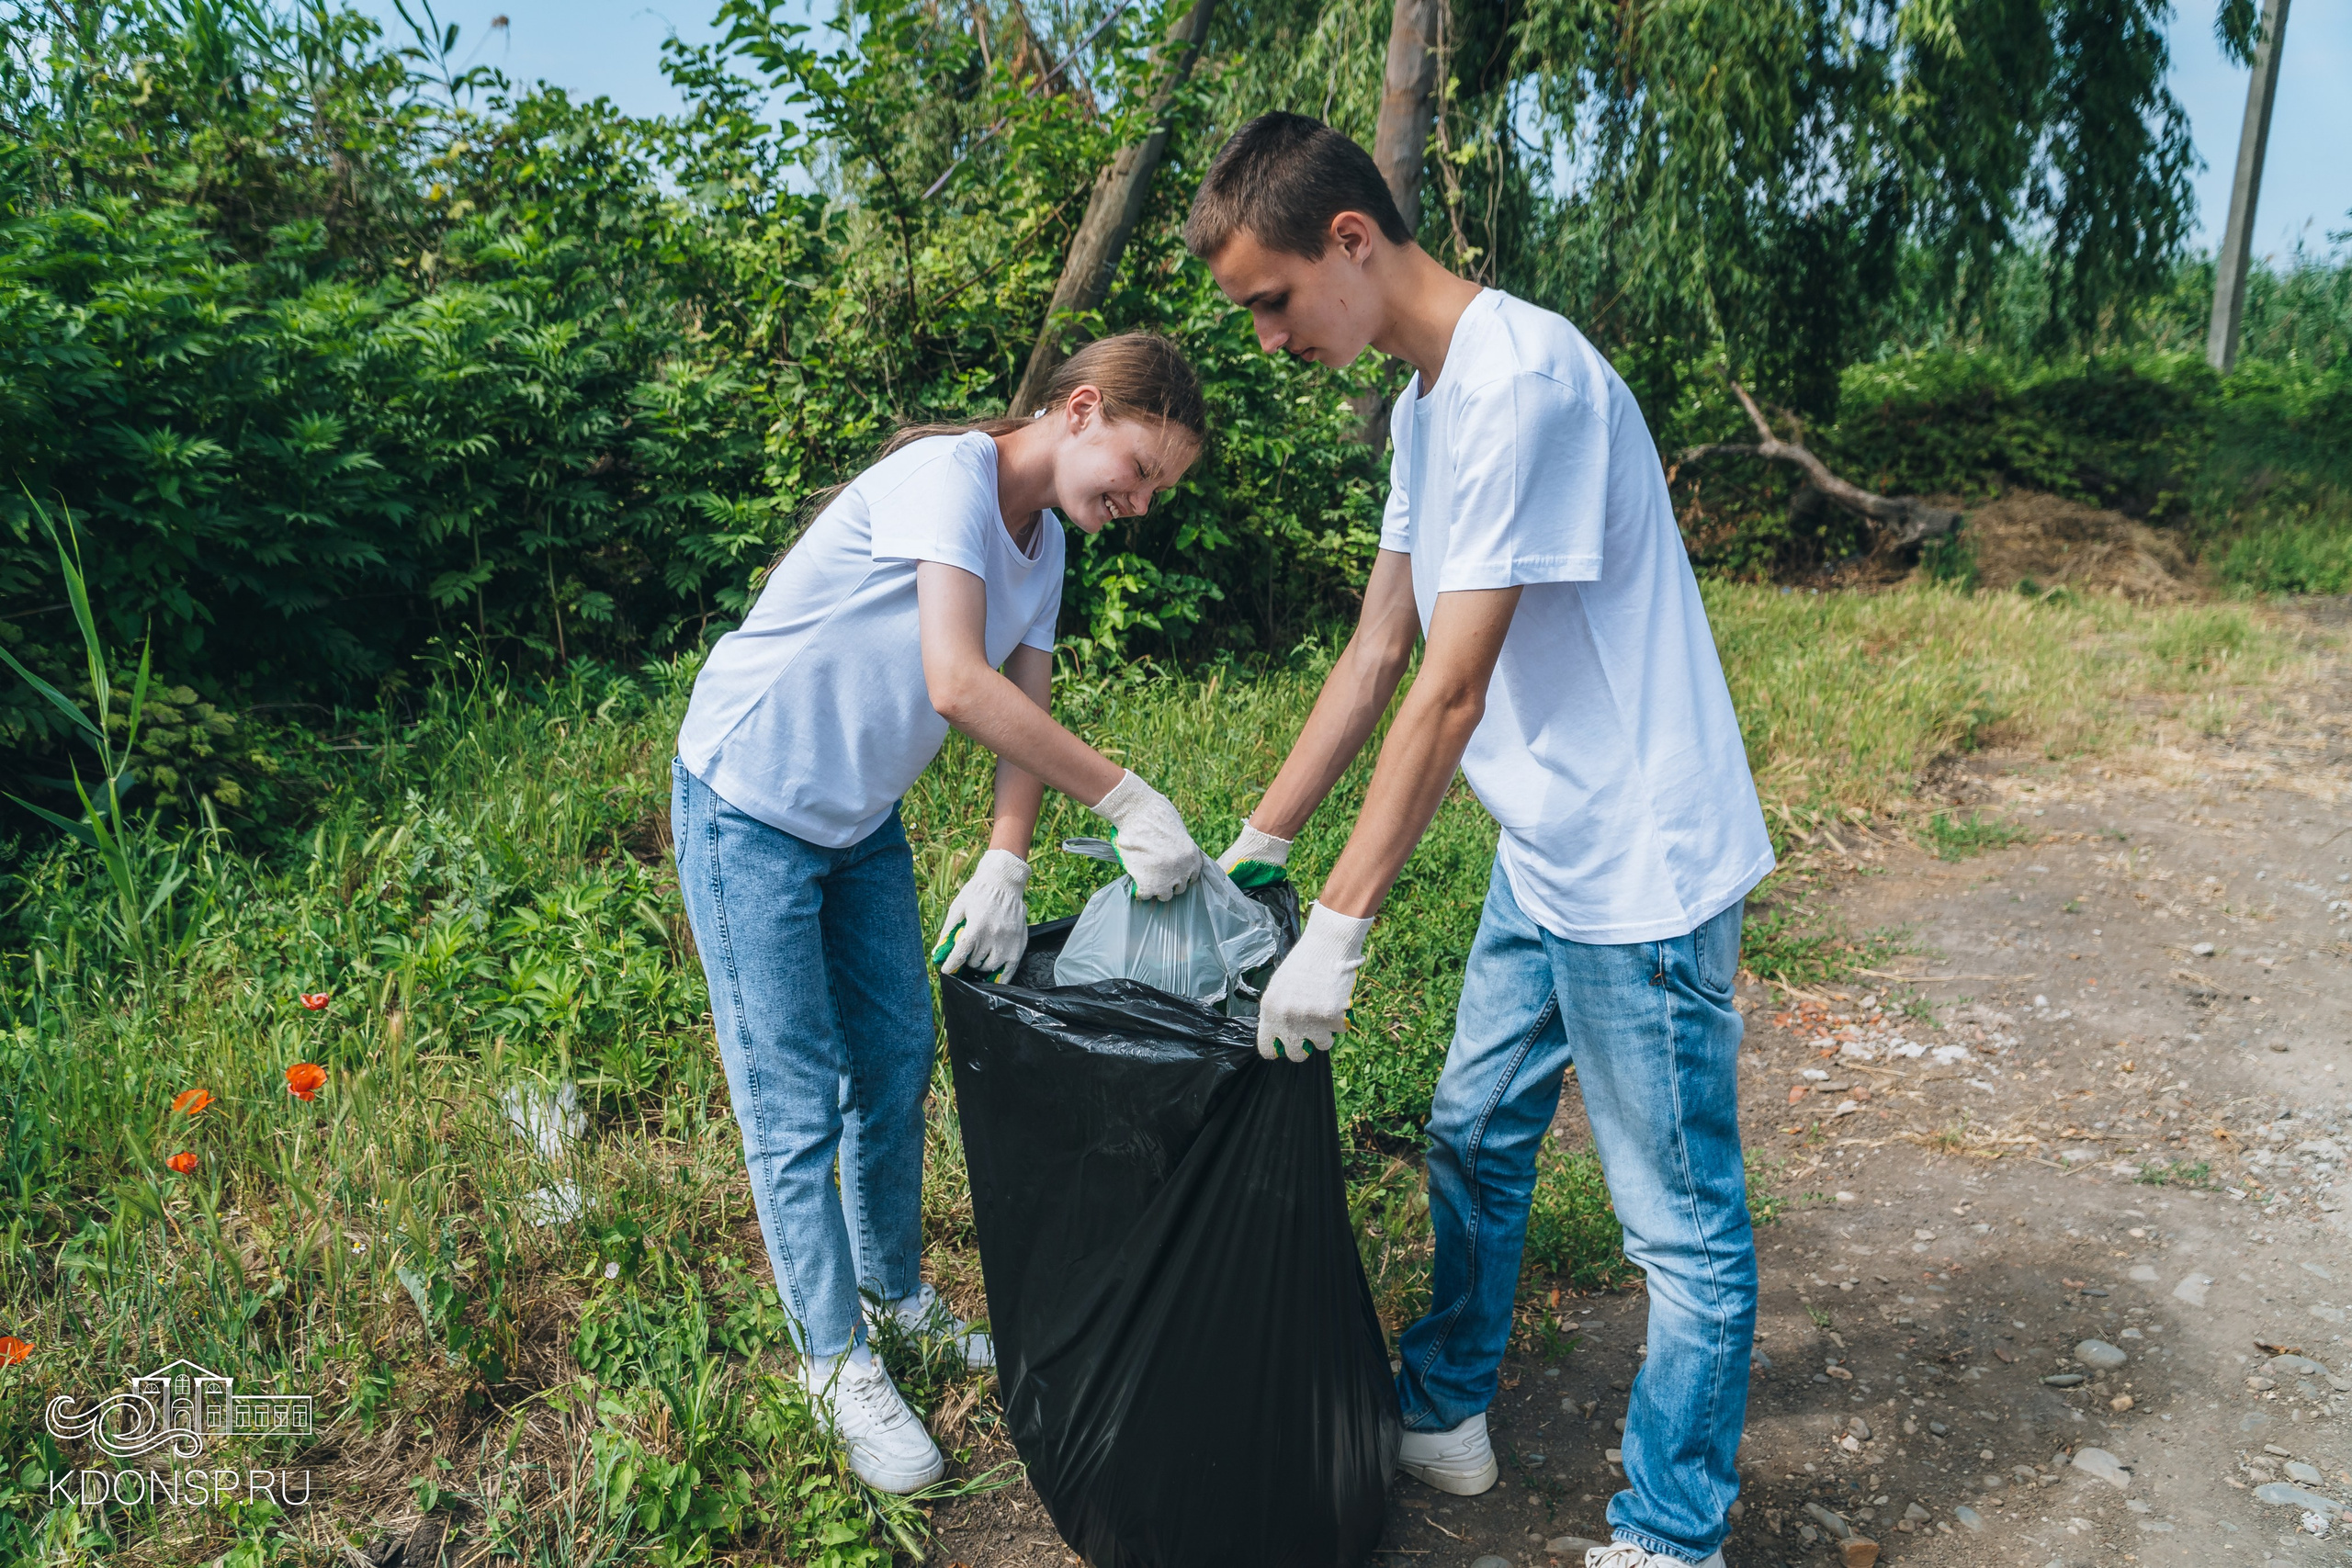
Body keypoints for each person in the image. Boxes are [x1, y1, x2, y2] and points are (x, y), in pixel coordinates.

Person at [1185, 115, 1774, 1568]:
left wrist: (1341, 924)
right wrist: (1259, 843)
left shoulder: (1524, 382)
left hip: (1636, 867)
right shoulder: (1429, 405)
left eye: (1270, 301)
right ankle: (1445, 1405)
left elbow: (1453, 690)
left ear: (1350, 240)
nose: (1264, 340)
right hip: (1545, 847)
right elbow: (1380, 645)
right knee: (1472, 1128)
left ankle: (1673, 1529)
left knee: (1682, 1229)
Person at [670, 333, 1211, 1494]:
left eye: (1158, 488)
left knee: (899, 1054)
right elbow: (953, 683)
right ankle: (831, 1361)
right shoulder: (948, 480)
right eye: (1138, 467)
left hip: (855, 816)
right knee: (792, 1093)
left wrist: (1007, 858)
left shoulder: (1046, 542)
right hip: (748, 800)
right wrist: (1120, 797)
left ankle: (892, 1296)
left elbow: (1024, 700)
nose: (1140, 500)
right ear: (1079, 410)